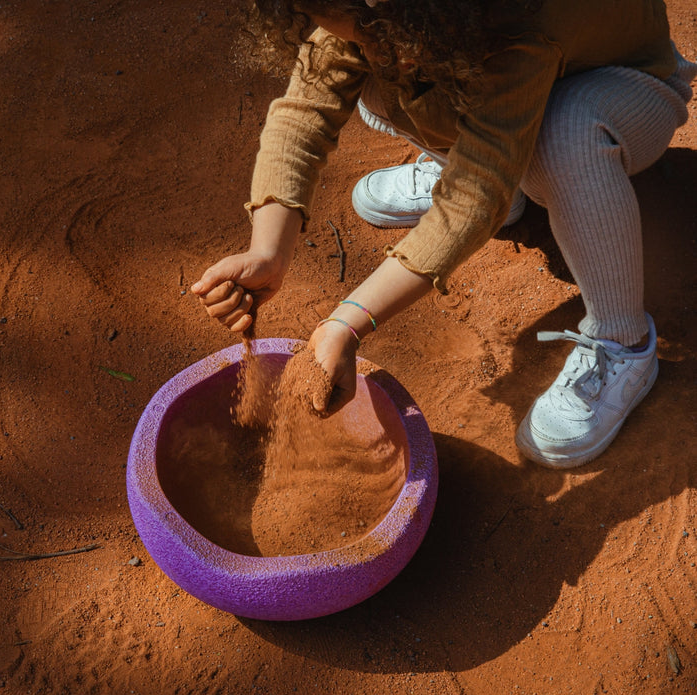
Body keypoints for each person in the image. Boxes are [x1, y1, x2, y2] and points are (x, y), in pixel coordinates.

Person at [191, 0, 696, 469]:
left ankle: (623, 342)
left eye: (369, 26)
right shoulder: (376, 10)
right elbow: (306, 108)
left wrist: (347, 323)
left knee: (561, 135)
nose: (359, 39)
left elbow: (473, 196)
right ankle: (496, 181)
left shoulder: (515, 17)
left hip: (629, 84)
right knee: (378, 76)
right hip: (477, 53)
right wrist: (268, 250)